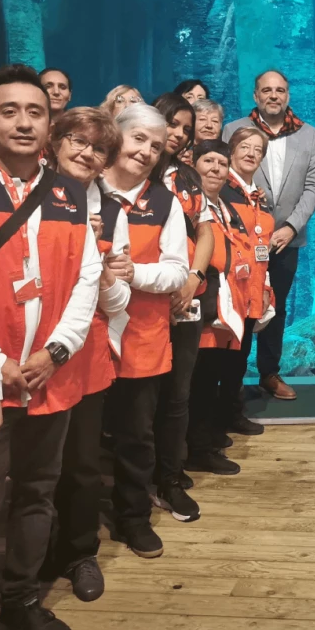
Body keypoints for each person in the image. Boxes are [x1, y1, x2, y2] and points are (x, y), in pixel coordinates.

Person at [0, 64, 102, 630]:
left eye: (34, 112)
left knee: (37, 490)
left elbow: (87, 279)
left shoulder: (67, 191)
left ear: (50, 123)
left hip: (46, 375)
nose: (23, 121)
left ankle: (20, 602)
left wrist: (57, 350)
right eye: (9, 110)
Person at [46, 108, 129, 602]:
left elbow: (118, 303)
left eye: (97, 148)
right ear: (54, 142)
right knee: (32, 466)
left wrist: (107, 271)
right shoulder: (24, 194)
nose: (86, 152)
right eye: (76, 140)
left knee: (80, 464)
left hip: (85, 355)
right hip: (22, 350)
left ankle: (79, 554)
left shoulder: (113, 212)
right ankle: (28, 559)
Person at [100, 104, 189, 558]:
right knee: (84, 441)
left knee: (137, 435)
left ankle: (132, 518)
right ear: (114, 135)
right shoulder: (79, 191)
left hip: (143, 337)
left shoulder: (164, 202)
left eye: (156, 146)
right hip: (85, 341)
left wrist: (135, 273)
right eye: (138, 139)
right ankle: (77, 529)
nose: (146, 151)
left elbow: (178, 273)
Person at [222, 70, 315, 401]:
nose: (273, 95)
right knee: (239, 305)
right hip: (240, 240)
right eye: (266, 90)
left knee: (274, 307)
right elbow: (224, 180)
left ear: (288, 96)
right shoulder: (233, 131)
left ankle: (269, 372)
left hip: (286, 239)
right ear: (255, 95)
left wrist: (290, 227)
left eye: (280, 90)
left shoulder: (308, 135)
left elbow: (314, 185)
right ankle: (232, 378)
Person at [186, 139, 271, 474]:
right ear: (193, 165)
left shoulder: (226, 207)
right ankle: (197, 448)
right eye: (208, 161)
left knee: (209, 379)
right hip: (201, 305)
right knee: (199, 381)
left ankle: (204, 441)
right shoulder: (191, 206)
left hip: (226, 306)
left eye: (221, 164)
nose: (216, 169)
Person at [148, 93, 214, 521]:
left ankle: (169, 477)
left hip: (185, 300)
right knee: (140, 398)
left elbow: (206, 232)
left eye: (185, 129)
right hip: (138, 301)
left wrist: (194, 279)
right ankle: (139, 480)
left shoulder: (188, 176)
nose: (178, 134)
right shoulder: (129, 166)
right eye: (173, 123)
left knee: (177, 394)